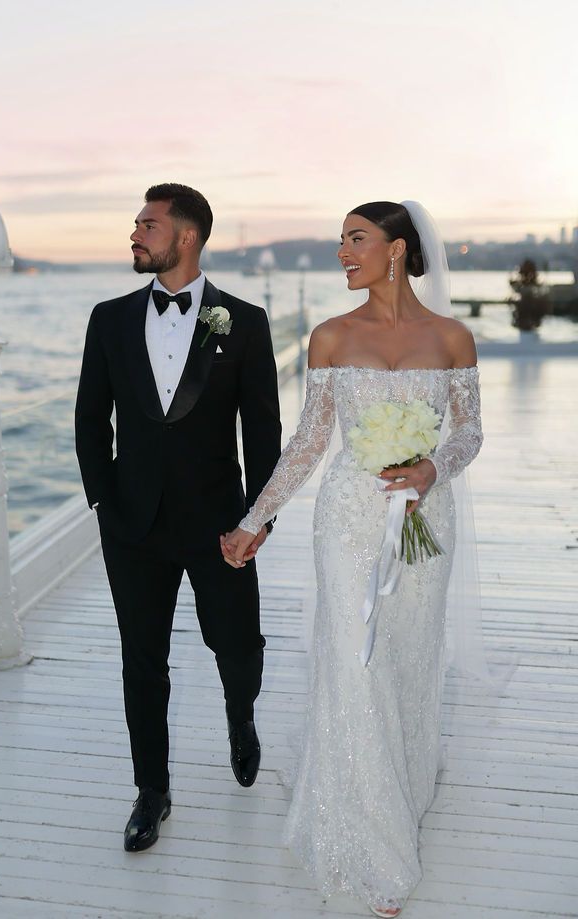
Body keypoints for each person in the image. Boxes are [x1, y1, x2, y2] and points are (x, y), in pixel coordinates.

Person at [221, 201, 484, 917]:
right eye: (341, 239)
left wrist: (435, 468)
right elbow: (309, 442)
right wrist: (255, 518)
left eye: (355, 238)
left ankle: (401, 785)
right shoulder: (330, 336)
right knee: (353, 660)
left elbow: (469, 433)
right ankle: (374, 845)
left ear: (396, 249)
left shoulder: (453, 337)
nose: (342, 250)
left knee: (408, 654)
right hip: (346, 519)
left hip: (425, 518)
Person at [75, 183, 282, 853]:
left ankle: (240, 715)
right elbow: (88, 421)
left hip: (219, 521)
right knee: (143, 660)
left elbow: (264, 432)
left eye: (147, 224)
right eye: (137, 223)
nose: (135, 234)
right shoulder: (107, 318)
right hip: (132, 526)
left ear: (185, 236)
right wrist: (106, 503)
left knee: (237, 642)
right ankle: (152, 789)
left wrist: (258, 518)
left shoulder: (243, 320)